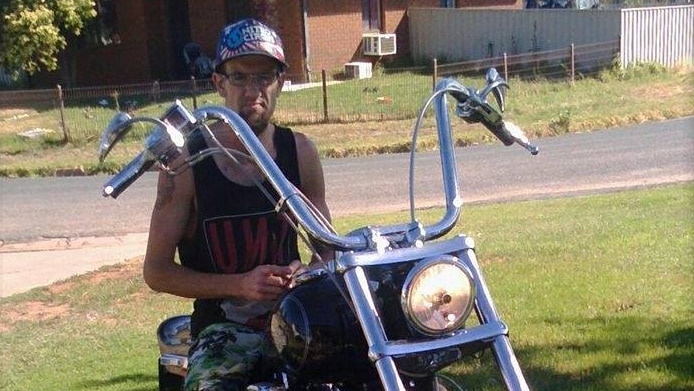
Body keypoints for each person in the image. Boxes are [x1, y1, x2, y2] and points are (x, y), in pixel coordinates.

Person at [143, 18, 332, 391]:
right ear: (219, 83)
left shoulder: (301, 152)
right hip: (222, 327)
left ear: (280, 82)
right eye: (240, 77)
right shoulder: (187, 164)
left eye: (264, 76)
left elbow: (326, 247)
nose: (253, 90)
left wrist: (306, 274)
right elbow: (156, 271)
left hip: (297, 317)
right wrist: (240, 285)